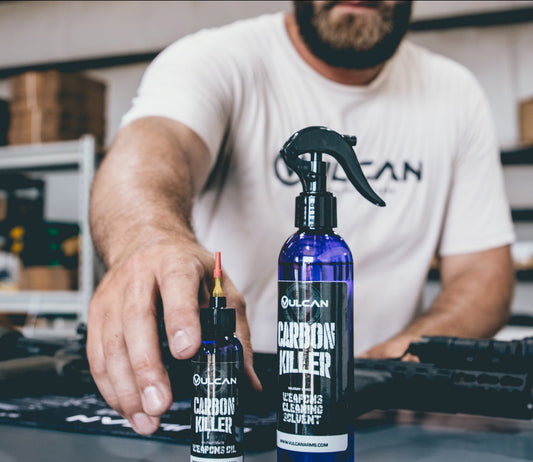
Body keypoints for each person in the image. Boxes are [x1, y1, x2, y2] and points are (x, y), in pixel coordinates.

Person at [87, 0, 515, 436]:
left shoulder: (454, 92)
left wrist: (389, 362)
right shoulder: (216, 60)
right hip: (229, 404)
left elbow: (483, 273)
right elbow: (152, 148)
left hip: (383, 411)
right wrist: (148, 238)